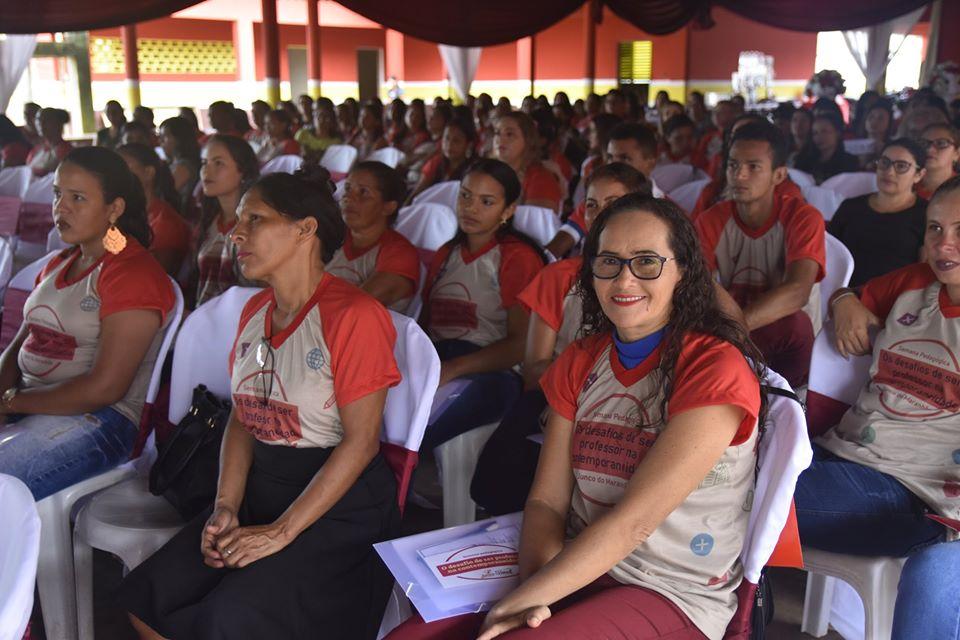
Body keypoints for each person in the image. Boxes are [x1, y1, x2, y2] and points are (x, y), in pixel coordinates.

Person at [389, 193, 764, 640]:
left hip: (668, 587)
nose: (624, 279)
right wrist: (539, 591)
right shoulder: (582, 359)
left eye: (647, 262)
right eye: (609, 262)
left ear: (683, 272)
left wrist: (525, 602)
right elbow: (547, 501)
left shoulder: (713, 367)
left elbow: (635, 522)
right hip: (575, 560)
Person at [119, 166, 402, 640]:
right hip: (261, 492)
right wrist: (225, 506)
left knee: (229, 618)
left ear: (304, 229)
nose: (235, 233)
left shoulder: (354, 316)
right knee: (147, 599)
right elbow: (242, 419)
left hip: (336, 508)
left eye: (255, 219)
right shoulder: (255, 310)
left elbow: (361, 444)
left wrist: (282, 533)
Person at [795, 176, 960, 640]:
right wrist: (845, 299)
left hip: (910, 493)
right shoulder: (917, 282)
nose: (944, 244)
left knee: (747, 497)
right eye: (934, 229)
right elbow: (853, 296)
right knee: (730, 466)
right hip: (840, 453)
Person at [471, 163, 649, 515]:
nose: (598, 214)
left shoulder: (654, 279)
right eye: (592, 205)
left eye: (612, 203)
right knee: (493, 481)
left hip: (629, 409)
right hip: (552, 399)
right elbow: (534, 366)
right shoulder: (559, 277)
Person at [0, 146, 175, 500]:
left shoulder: (131, 272)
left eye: (77, 198)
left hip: (101, 422)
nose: (60, 207)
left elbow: (104, 389)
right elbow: (20, 344)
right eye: (57, 194)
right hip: (31, 406)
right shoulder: (59, 263)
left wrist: (12, 403)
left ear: (114, 209)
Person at [418, 159, 545, 451]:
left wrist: (453, 368)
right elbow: (425, 326)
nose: (470, 208)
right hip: (438, 361)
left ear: (508, 210)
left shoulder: (516, 257)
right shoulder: (446, 254)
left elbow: (521, 344)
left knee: (417, 429)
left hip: (492, 372)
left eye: (486, 201)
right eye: (465, 196)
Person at [696, 121, 825, 387]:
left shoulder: (802, 217)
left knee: (796, 325)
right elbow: (697, 282)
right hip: (730, 330)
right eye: (733, 165)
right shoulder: (711, 219)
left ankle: (790, 406)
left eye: (753, 167)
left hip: (781, 336)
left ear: (779, 175)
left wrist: (735, 327)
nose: (739, 175)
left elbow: (797, 291)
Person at [828, 139, 928, 287]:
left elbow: (924, 271)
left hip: (897, 301)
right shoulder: (850, 207)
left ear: (919, 174)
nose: (889, 172)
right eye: (884, 162)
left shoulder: (926, 214)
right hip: (844, 295)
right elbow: (829, 255)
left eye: (901, 166)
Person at [326, 161, 420, 311]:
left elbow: (356, 306)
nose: (348, 197)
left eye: (363, 192)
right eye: (348, 188)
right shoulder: (331, 237)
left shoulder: (400, 253)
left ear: (388, 207)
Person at [690, 114, 804, 221]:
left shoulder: (787, 193)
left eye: (751, 135)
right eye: (736, 136)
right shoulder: (712, 191)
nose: (742, 143)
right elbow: (692, 234)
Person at [193, 134, 260, 307]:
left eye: (218, 163)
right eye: (204, 163)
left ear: (242, 171)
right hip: (205, 319)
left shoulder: (257, 226)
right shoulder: (209, 222)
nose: (207, 171)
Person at [118, 143, 192, 277]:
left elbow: (156, 277)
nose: (115, 178)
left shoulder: (165, 223)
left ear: (149, 173)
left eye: (124, 169)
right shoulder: (125, 215)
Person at [493, 111, 563, 213]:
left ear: (528, 140)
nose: (500, 139)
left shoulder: (541, 178)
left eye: (509, 134)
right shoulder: (487, 172)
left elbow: (536, 223)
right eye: (497, 133)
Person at [406, 116, 476, 203]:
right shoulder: (436, 163)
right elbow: (417, 194)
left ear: (468, 145)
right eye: (446, 138)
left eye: (456, 141)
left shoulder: (473, 171)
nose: (449, 144)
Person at [792, 113, 860, 184]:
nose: (819, 137)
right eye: (815, 133)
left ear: (837, 133)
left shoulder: (849, 162)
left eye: (824, 131)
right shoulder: (803, 160)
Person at [158, 116, 202, 217]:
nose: (160, 142)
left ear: (178, 138)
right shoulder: (175, 164)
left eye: (164, 137)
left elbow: (165, 194)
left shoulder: (184, 166)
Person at [917, 123, 959, 200]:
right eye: (924, 143)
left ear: (957, 153)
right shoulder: (905, 184)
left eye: (941, 143)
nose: (929, 149)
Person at [27, 107, 73, 177]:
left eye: (46, 120)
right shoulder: (36, 150)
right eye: (38, 120)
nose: (40, 124)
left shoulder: (66, 151)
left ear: (58, 124)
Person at [296, 98, 341, 162]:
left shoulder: (336, 141)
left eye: (326, 116)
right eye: (319, 115)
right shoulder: (302, 134)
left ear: (332, 118)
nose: (322, 120)